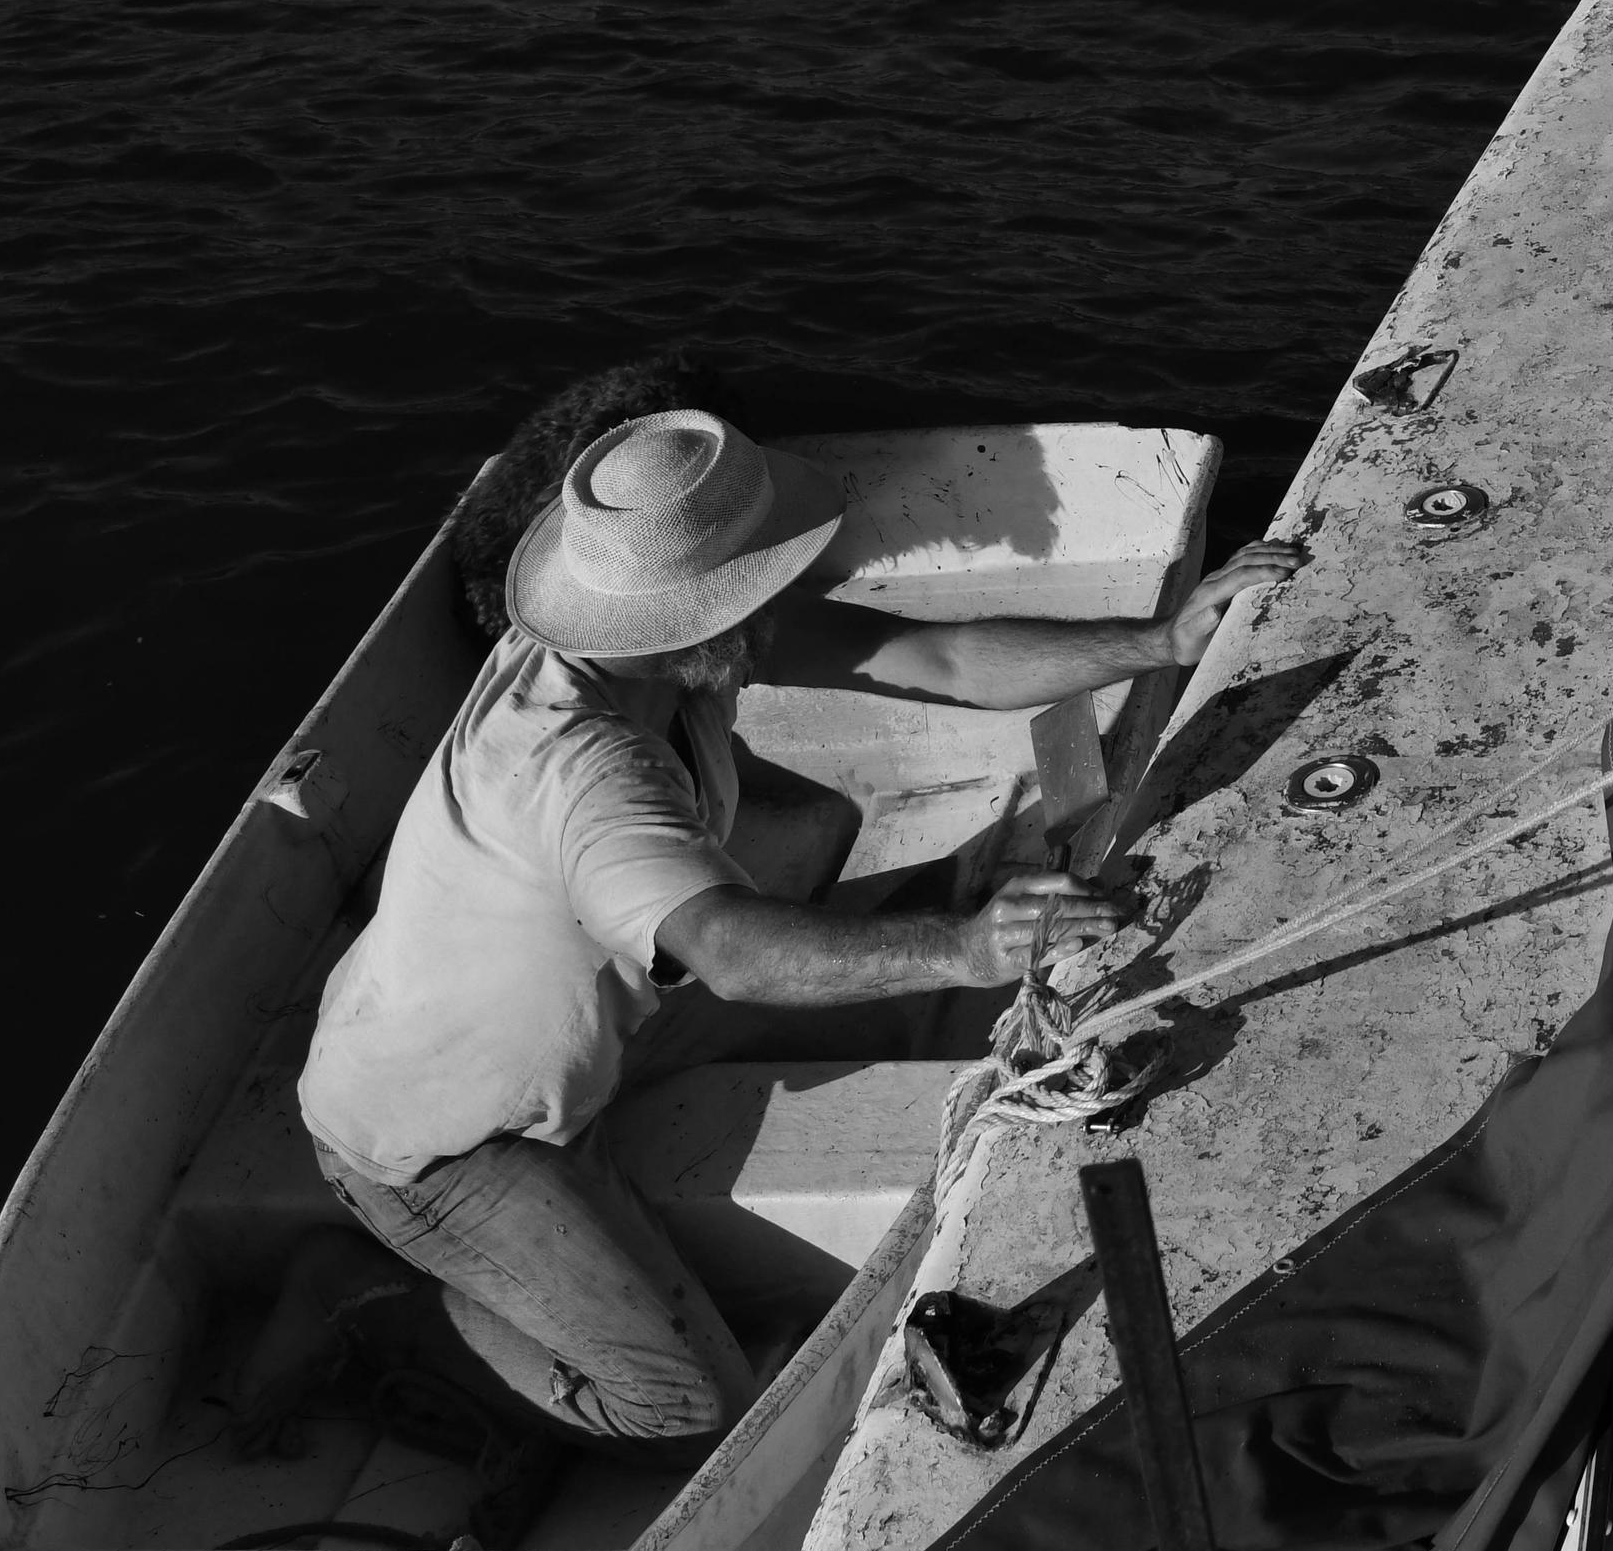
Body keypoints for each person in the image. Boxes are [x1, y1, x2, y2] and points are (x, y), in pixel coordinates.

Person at [232, 407, 1282, 1473]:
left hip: (503, 1030)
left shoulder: (627, 648)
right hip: (446, 1143)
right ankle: (358, 1302)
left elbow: (938, 656)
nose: (791, 587)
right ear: (688, 620)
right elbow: (731, 953)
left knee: (813, 827)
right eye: (759, 577)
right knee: (683, 1409)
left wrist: (1159, 642)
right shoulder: (587, 777)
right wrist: (962, 952)